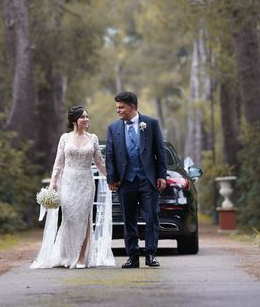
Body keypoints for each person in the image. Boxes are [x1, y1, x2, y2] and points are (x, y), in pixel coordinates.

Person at [31, 106, 114, 269]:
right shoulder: (65, 138)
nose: (86, 119)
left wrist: (111, 178)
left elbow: (99, 162)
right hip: (68, 182)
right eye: (83, 117)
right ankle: (67, 254)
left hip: (85, 182)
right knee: (69, 218)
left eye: (87, 117)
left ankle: (82, 257)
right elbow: (58, 162)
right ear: (74, 120)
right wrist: (53, 182)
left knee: (84, 218)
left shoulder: (93, 138)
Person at [106, 91, 167, 268]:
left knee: (151, 218)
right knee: (129, 220)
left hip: (148, 180)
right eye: (117, 107)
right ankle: (132, 257)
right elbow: (110, 155)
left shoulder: (151, 123)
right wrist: (112, 178)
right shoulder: (113, 128)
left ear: (132, 107)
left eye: (121, 107)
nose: (118, 110)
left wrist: (162, 175)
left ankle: (150, 255)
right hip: (126, 181)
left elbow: (160, 151)